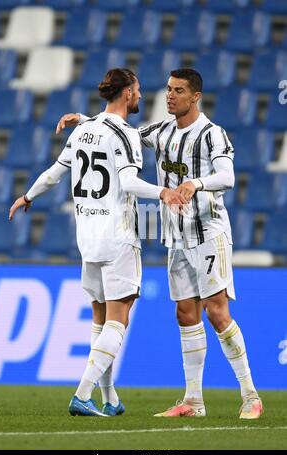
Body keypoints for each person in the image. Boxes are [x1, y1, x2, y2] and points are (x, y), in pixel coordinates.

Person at [56, 68, 263, 420]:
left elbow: (227, 176)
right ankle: (193, 401)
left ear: (195, 96)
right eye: (168, 89)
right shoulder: (161, 130)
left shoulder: (213, 134)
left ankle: (250, 395)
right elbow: (120, 131)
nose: (169, 96)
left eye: (178, 91)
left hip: (209, 232)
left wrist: (195, 184)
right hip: (176, 238)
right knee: (185, 314)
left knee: (216, 310)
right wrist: (87, 119)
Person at [9, 68, 185, 418]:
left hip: (86, 239)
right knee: (118, 322)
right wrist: (163, 191)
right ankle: (83, 394)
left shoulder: (83, 130)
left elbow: (53, 174)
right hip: (118, 237)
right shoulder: (126, 135)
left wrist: (27, 197)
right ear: (126, 94)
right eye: (137, 90)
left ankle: (110, 398)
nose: (140, 96)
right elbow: (130, 183)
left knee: (100, 319)